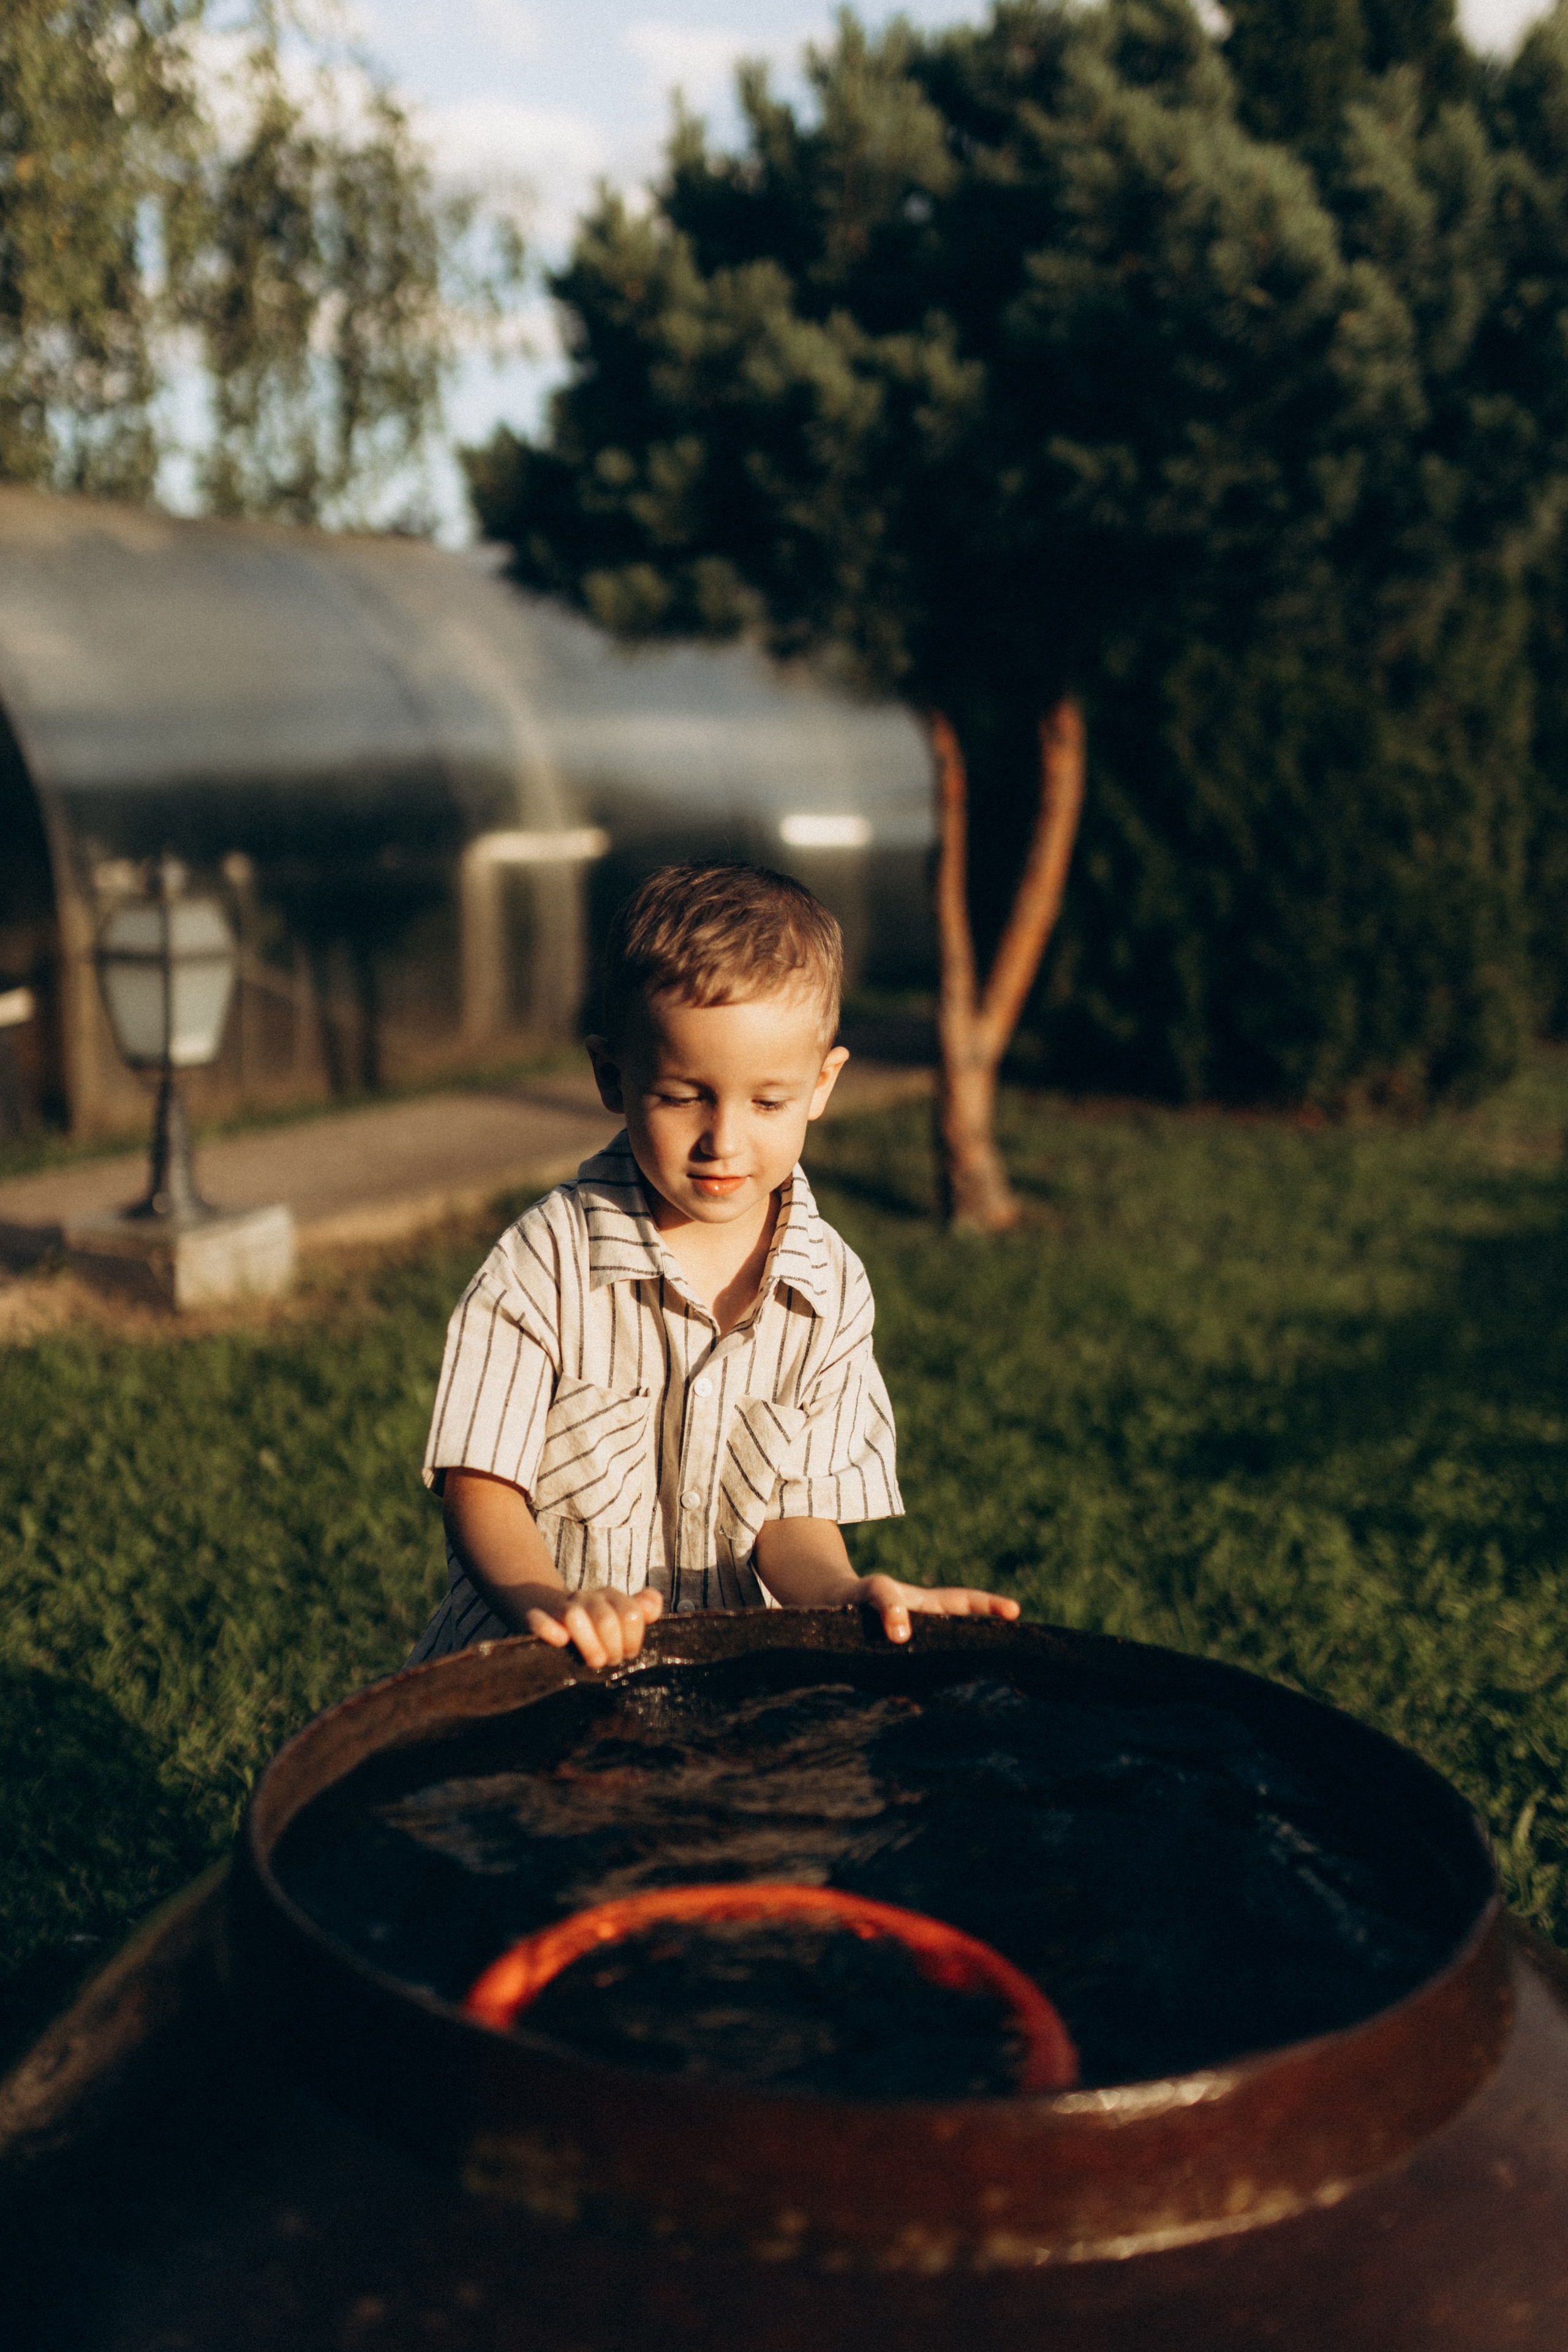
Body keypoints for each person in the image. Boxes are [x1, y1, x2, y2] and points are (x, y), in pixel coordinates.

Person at [408, 861, 1019, 1670]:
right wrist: (549, 1602)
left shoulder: (829, 1289)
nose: (724, 1140)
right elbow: (478, 1481)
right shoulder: (544, 1262)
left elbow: (791, 1517)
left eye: (768, 1103)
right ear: (613, 1077)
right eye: (685, 1095)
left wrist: (841, 1591)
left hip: (725, 1690)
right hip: (537, 1681)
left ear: (822, 1084)